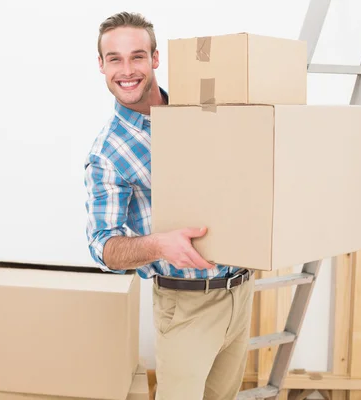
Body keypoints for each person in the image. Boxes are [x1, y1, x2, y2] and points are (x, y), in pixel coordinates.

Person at [84, 11, 255, 400]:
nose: (127, 70)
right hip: (186, 304)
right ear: (101, 65)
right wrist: (160, 245)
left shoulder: (202, 107)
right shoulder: (107, 154)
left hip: (241, 290)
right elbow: (103, 247)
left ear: (155, 59)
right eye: (115, 59)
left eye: (137, 56)